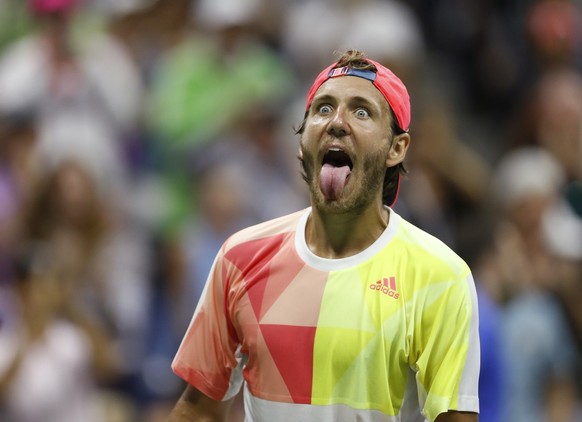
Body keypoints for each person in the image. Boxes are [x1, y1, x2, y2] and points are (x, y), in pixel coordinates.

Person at [167, 49, 480, 422]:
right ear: (302, 143)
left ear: (397, 148)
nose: (337, 122)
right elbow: (198, 411)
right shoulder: (241, 258)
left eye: (362, 111)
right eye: (323, 108)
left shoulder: (440, 276)